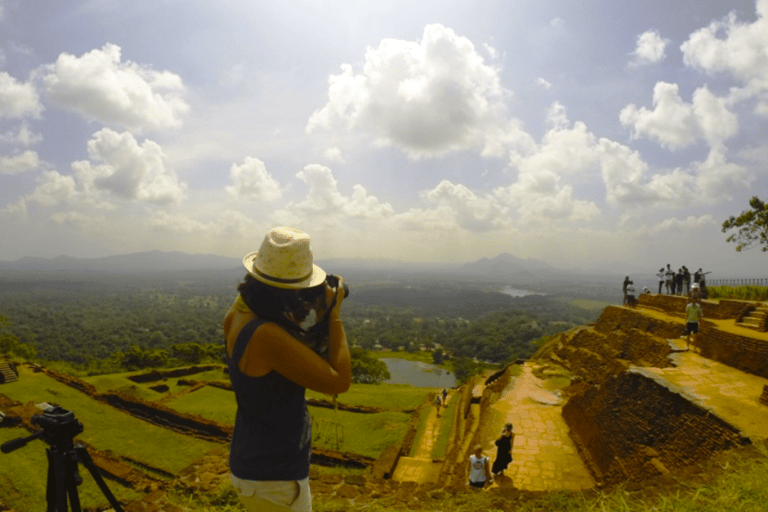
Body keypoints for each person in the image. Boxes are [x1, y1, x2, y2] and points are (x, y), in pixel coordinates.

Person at [224, 226, 351, 512]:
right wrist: (333, 314)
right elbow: (340, 381)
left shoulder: (237, 315)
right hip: (274, 478)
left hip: (252, 462)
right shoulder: (267, 336)